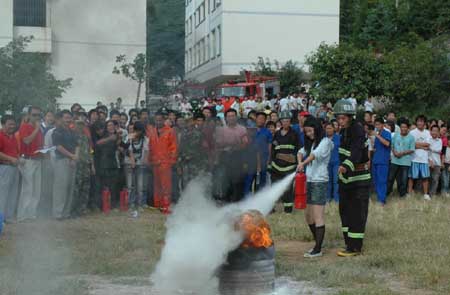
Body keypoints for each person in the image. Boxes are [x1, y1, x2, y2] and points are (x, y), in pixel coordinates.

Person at [334, 99, 371, 257]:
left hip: (359, 179)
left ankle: (355, 247)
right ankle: (348, 243)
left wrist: (346, 166)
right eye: (338, 118)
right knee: (345, 211)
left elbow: (356, 151)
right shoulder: (344, 131)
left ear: (350, 116)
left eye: (343, 118)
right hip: (346, 178)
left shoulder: (357, 130)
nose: (340, 121)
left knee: (357, 212)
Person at [297, 116, 333, 258]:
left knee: (318, 216)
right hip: (309, 182)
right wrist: (299, 161)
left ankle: (317, 249)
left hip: (319, 182)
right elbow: (301, 151)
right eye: (306, 132)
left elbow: (314, 155)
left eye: (311, 131)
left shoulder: (325, 142)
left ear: (317, 129)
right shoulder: (311, 144)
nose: (309, 134)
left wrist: (302, 164)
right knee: (308, 216)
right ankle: (318, 242)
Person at [215, 109, 249, 203]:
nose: (231, 118)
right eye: (229, 116)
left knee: (238, 181)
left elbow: (245, 143)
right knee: (226, 181)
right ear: (226, 118)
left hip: (238, 156)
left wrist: (235, 145)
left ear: (236, 117)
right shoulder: (221, 130)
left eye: (233, 116)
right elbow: (218, 144)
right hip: (225, 157)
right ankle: (226, 202)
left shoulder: (242, 129)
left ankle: (238, 202)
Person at [17, 106, 44, 222]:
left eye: (38, 115)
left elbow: (39, 144)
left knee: (37, 189)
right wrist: (37, 129)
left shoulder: (39, 129)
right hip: (28, 160)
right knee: (27, 189)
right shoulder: (25, 126)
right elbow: (26, 141)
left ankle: (31, 214)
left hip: (38, 159)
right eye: (34, 115)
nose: (37, 117)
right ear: (28, 115)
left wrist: (44, 150)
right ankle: (22, 215)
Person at [148, 112, 178, 214]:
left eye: (160, 120)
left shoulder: (170, 131)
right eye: (156, 120)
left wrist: (171, 161)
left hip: (165, 162)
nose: (158, 122)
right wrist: (150, 160)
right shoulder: (152, 131)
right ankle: (158, 205)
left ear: (164, 120)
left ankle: (166, 206)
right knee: (156, 186)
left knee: (166, 186)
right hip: (155, 162)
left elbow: (173, 148)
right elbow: (150, 147)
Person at [271, 111, 300, 213]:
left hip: (289, 167)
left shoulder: (294, 134)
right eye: (283, 121)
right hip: (276, 166)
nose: (285, 123)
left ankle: (288, 209)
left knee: (288, 189)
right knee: (274, 187)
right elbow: (273, 150)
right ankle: (271, 208)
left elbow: (298, 150)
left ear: (290, 122)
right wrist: (271, 163)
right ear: (280, 122)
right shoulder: (277, 134)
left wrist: (295, 161)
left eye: (287, 121)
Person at [52, 110, 78, 219]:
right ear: (61, 119)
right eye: (66, 117)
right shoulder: (57, 131)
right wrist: (71, 156)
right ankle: (57, 213)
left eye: (69, 118)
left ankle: (66, 213)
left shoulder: (72, 132)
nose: (68, 120)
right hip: (61, 161)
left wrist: (75, 157)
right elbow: (58, 147)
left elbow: (77, 145)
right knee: (60, 188)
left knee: (70, 188)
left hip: (72, 162)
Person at [244, 112, 272, 196]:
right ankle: (246, 202)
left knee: (261, 183)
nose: (261, 120)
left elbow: (269, 147)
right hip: (251, 161)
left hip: (263, 161)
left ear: (265, 120)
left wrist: (268, 160)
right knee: (248, 181)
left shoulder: (268, 132)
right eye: (259, 118)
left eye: (263, 119)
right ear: (256, 119)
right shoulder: (251, 130)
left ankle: (259, 202)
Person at [123, 121, 149, 212]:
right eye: (137, 130)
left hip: (140, 164)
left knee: (140, 186)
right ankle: (131, 204)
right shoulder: (129, 137)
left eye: (140, 131)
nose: (138, 133)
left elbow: (146, 151)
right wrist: (132, 161)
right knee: (130, 186)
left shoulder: (145, 139)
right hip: (129, 163)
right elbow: (128, 150)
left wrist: (144, 161)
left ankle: (140, 204)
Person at [388, 118, 415, 198]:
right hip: (395, 160)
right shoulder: (396, 135)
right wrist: (394, 152)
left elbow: (412, 149)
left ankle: (402, 194)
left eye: (405, 127)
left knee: (403, 180)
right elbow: (392, 145)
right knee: (390, 178)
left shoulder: (411, 137)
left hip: (405, 162)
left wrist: (402, 153)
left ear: (408, 128)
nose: (403, 128)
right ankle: (387, 192)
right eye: (402, 127)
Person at [0, 115, 20, 223]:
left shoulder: (12, 137)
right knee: (3, 195)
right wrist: (11, 159)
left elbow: (15, 151)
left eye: (14, 124)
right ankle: (1, 218)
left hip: (14, 167)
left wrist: (18, 159)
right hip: (4, 167)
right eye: (10, 124)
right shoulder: (0, 135)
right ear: (3, 124)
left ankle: (8, 217)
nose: (12, 126)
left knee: (13, 193)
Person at [71, 120, 93, 217]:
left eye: (82, 125)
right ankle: (73, 210)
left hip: (86, 164)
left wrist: (92, 165)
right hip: (77, 164)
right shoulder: (72, 136)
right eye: (78, 125)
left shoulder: (86, 137)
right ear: (75, 125)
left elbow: (90, 151)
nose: (80, 127)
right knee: (76, 188)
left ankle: (82, 208)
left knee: (86, 187)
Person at [408, 115, 432, 200]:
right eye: (418, 121)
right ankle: (409, 193)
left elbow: (428, 144)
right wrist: (422, 146)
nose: (420, 123)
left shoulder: (428, 132)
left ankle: (426, 194)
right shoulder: (412, 132)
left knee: (425, 177)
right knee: (411, 177)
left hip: (424, 159)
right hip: (414, 158)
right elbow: (411, 145)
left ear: (424, 123)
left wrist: (417, 144)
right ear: (416, 122)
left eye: (422, 121)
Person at [371, 118, 392, 205]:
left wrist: (377, 135)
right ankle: (379, 197)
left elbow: (387, 143)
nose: (377, 126)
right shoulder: (378, 134)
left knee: (382, 181)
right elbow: (375, 147)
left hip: (383, 161)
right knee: (375, 181)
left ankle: (382, 200)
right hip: (375, 160)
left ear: (383, 125)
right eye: (376, 125)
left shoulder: (386, 133)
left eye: (379, 124)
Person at [325, 122, 340, 202]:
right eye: (327, 128)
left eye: (330, 128)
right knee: (328, 181)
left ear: (334, 129)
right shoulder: (323, 138)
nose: (328, 130)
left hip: (336, 162)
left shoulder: (338, 137)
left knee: (336, 181)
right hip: (326, 163)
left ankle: (336, 198)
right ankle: (328, 198)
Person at [429, 125, 443, 197]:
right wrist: (430, 161)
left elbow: (439, 150)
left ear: (438, 132)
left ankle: (432, 194)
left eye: (436, 131)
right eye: (433, 130)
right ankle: (426, 193)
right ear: (430, 131)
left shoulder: (440, 140)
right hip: (428, 162)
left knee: (435, 179)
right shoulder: (428, 139)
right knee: (427, 179)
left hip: (437, 163)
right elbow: (427, 152)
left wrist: (430, 148)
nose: (434, 132)